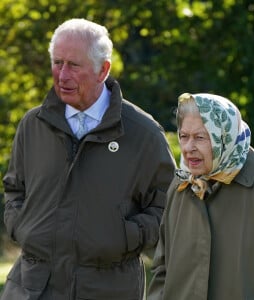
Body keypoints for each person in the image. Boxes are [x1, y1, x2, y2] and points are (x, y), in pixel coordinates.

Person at [1, 18, 176, 300]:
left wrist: (123, 236)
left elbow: (170, 206)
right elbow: (14, 189)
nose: (62, 75)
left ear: (103, 70)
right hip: (32, 288)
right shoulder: (32, 124)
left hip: (109, 290)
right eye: (57, 63)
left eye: (74, 65)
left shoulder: (143, 133)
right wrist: (23, 228)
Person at [147, 92, 254, 300]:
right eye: (184, 136)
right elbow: (162, 268)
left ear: (224, 136)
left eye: (200, 137)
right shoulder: (181, 184)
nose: (188, 148)